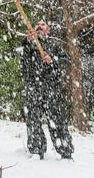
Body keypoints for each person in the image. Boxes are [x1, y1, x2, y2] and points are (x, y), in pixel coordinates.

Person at [21, 20, 74, 160]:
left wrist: (53, 60)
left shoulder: (54, 46)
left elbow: (66, 62)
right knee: (33, 119)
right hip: (34, 88)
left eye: (43, 24)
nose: (39, 26)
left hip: (52, 89)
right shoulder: (28, 45)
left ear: (48, 30)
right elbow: (23, 64)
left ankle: (65, 152)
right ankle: (37, 150)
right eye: (37, 24)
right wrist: (27, 41)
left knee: (57, 120)